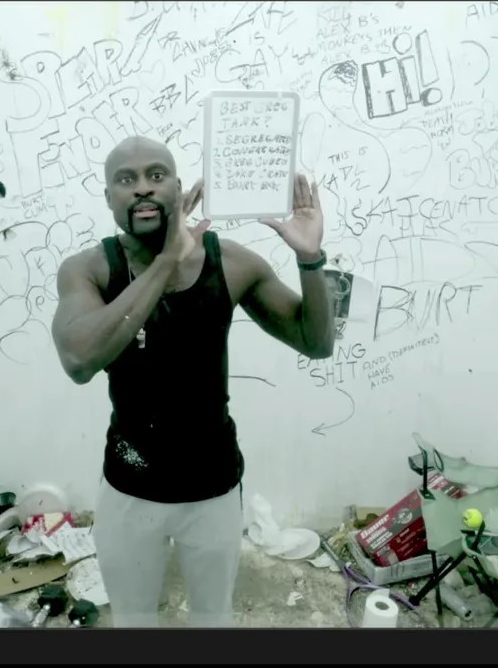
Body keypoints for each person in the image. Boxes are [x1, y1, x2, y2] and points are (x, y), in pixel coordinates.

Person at [50, 136, 335, 627]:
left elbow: (316, 342)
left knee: (211, 618)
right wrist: (166, 261)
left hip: (212, 488)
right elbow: (79, 361)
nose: (143, 188)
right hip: (130, 486)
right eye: (126, 179)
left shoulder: (232, 263)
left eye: (156, 175)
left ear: (179, 188)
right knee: (134, 620)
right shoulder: (88, 270)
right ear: (108, 197)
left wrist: (310, 259)